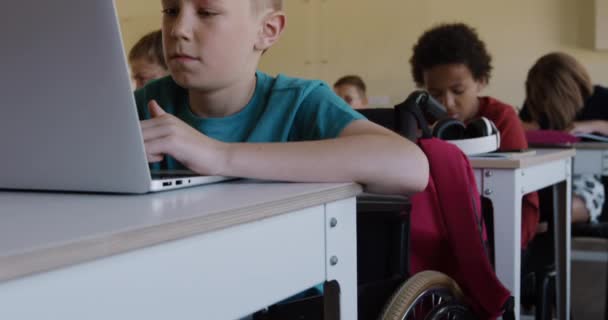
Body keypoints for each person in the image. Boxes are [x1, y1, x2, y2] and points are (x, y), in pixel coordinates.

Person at [135, 0, 429, 197]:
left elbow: (410, 166)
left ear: (267, 30)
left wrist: (218, 155)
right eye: (171, 10)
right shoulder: (145, 103)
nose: (178, 30)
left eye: (206, 12)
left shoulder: (299, 102)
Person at [409, 22, 540, 247]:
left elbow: (521, 201)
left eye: (458, 91)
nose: (447, 103)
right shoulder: (423, 122)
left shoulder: (501, 118)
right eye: (435, 94)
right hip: (444, 231)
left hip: (500, 232)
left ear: (481, 81)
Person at [520, 52, 608, 223]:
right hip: (544, 174)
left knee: (561, 207)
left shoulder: (601, 99)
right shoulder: (536, 102)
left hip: (590, 181)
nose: (545, 105)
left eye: (550, 98)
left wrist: (594, 126)